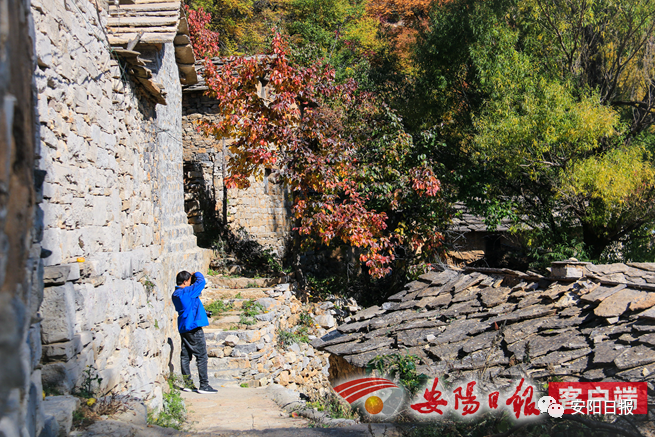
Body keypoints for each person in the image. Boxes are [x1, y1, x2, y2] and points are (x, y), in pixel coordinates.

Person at [172, 270, 217, 393]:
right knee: (201, 356)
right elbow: (201, 281)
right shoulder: (188, 292)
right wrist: (196, 273)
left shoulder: (175, 294)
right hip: (193, 327)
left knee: (185, 356)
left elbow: (190, 305)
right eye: (190, 282)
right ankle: (204, 385)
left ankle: (188, 384)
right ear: (186, 282)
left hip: (183, 327)